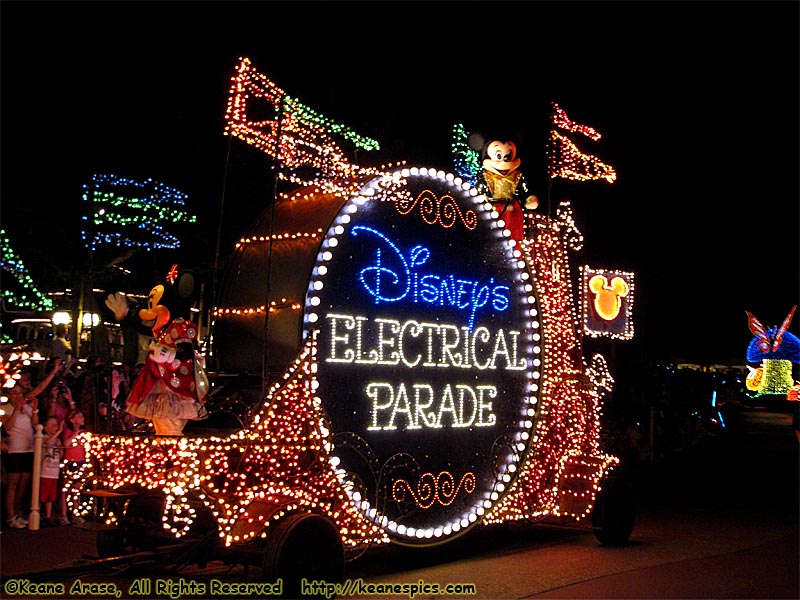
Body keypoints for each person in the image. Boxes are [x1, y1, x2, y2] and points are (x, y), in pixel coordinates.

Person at [1, 361, 62, 528]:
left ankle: (18, 511)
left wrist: (54, 372)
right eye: (15, 393)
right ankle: (10, 516)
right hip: (14, 450)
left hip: (28, 448)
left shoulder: (27, 406)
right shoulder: (5, 408)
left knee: (24, 482)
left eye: (20, 393)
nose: (18, 396)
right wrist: (15, 409)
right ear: (9, 394)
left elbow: (40, 390)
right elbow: (8, 426)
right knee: (13, 482)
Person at [59, 408, 87, 525]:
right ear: (72, 420)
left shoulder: (84, 433)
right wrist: (76, 433)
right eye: (79, 416)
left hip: (81, 462)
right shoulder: (68, 432)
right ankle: (63, 514)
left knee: (77, 489)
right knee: (66, 489)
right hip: (70, 462)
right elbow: (66, 444)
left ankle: (76, 514)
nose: (82, 419)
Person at [39, 416, 65, 525]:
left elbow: (61, 454)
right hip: (45, 471)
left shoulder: (58, 440)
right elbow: (47, 443)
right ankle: (40, 514)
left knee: (51, 495)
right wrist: (58, 432)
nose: (56, 427)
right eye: (53, 425)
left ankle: (48, 515)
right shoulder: (43, 437)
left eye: (57, 425)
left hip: (54, 471)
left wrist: (60, 447)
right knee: (42, 494)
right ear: (46, 428)